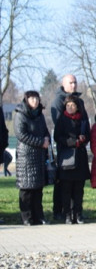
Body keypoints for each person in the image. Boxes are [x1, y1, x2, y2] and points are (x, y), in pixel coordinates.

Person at [50, 74, 88, 221]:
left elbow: (84, 121)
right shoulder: (58, 100)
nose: (74, 85)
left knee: (78, 185)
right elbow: (60, 126)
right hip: (66, 150)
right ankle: (60, 211)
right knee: (63, 184)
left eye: (75, 82)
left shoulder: (80, 101)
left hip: (79, 150)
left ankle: (76, 212)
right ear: (63, 84)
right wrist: (73, 140)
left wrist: (83, 137)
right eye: (71, 82)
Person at [13, 91, 50, 225]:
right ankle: (26, 217)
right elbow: (21, 134)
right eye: (32, 98)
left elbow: (45, 131)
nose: (35, 101)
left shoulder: (40, 115)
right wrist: (41, 142)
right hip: (26, 156)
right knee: (26, 189)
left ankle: (38, 216)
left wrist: (47, 139)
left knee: (38, 189)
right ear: (27, 100)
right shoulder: (20, 114)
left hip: (39, 156)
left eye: (37, 98)